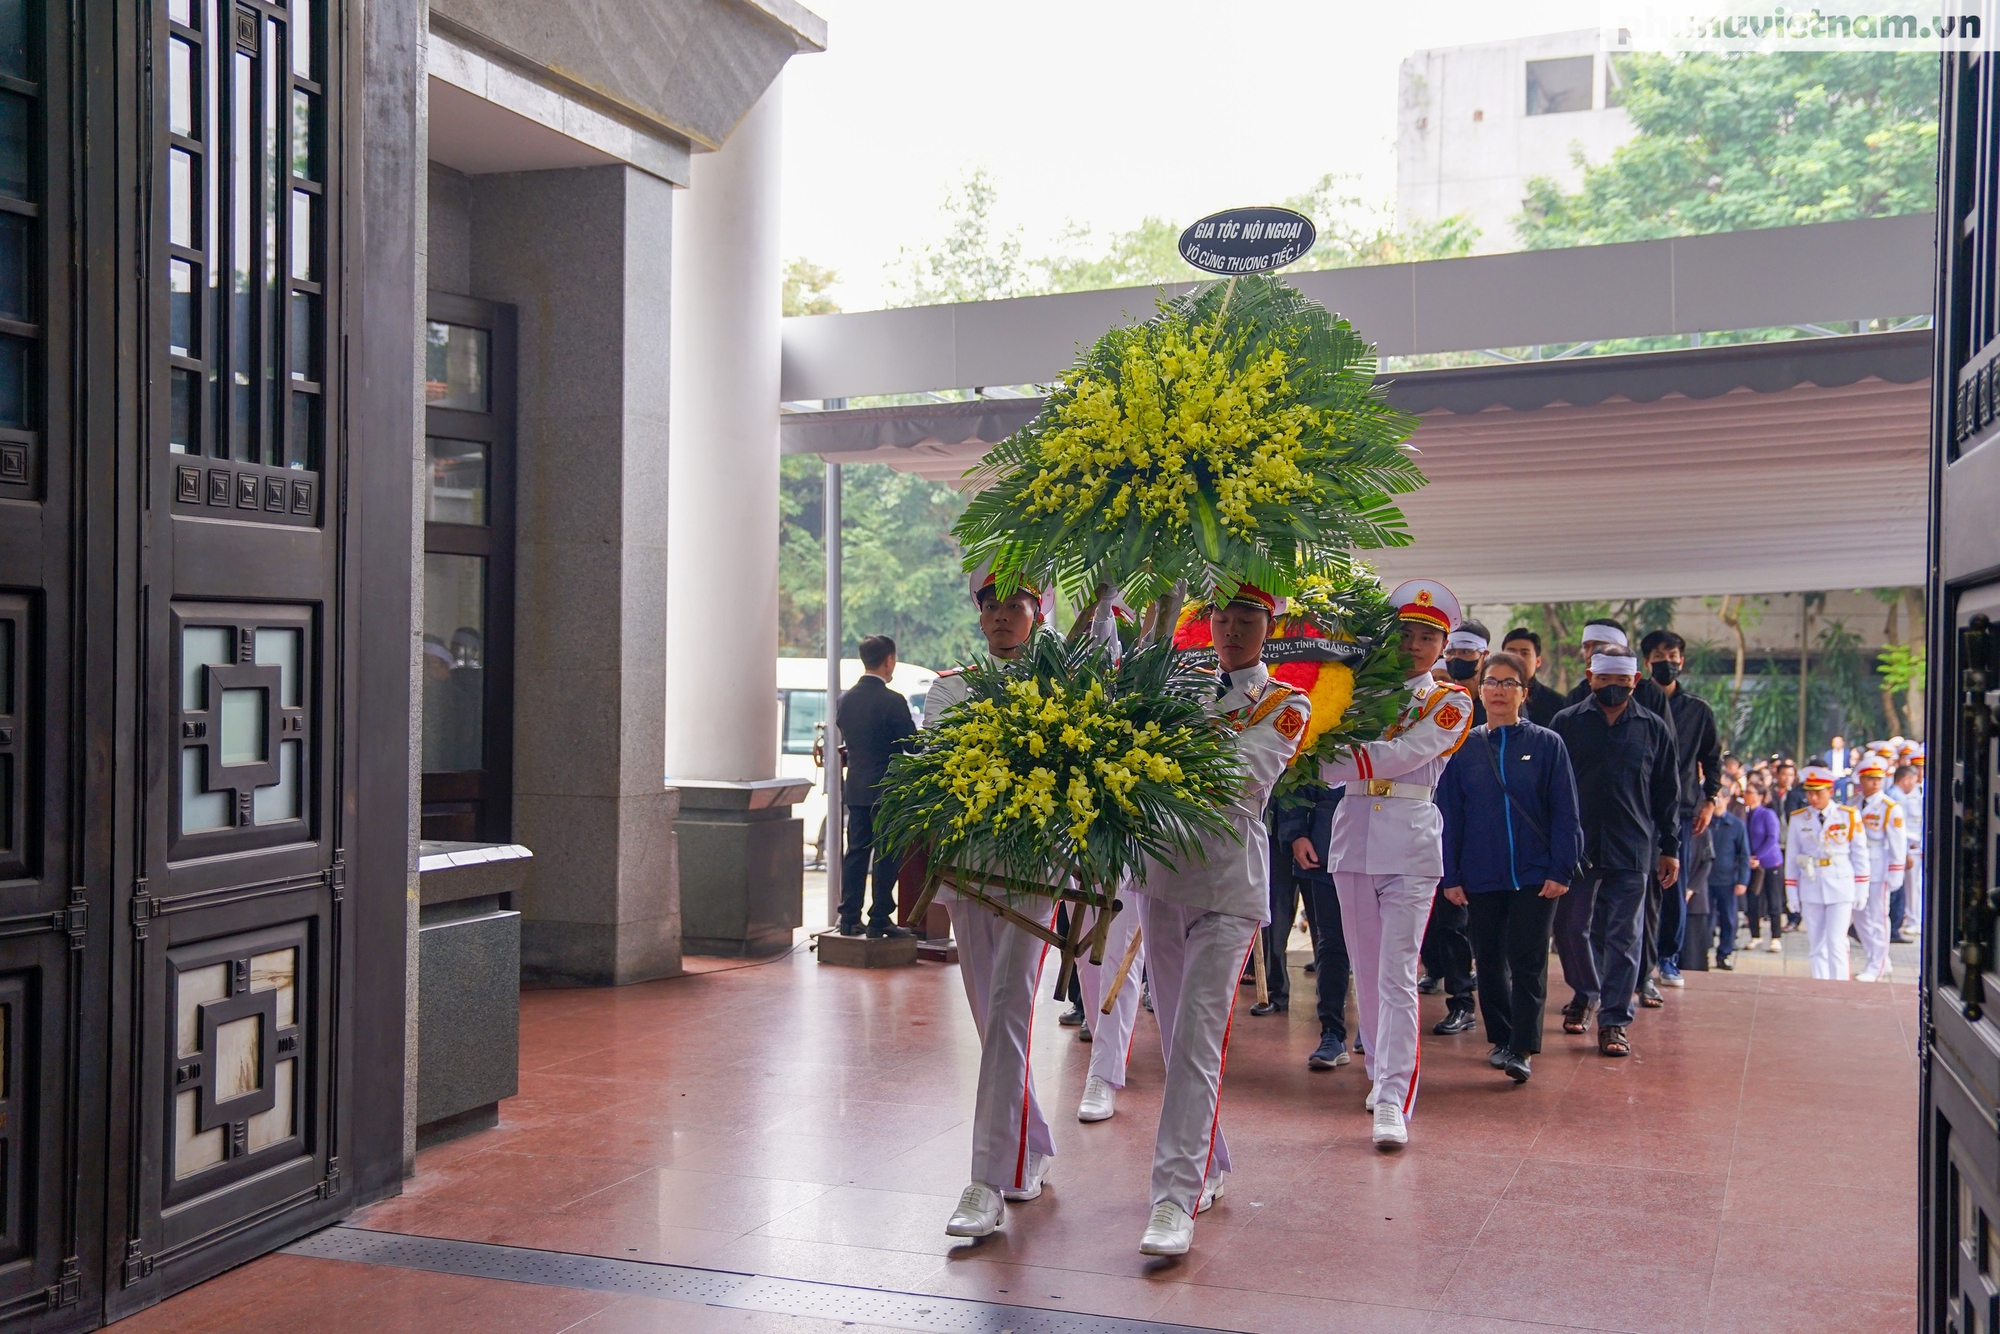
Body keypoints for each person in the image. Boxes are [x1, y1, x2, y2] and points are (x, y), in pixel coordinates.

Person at [1136, 586, 1310, 1256]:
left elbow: (1237, 775)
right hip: (1161, 878)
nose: (1233, 630)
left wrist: (1154, 756)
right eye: (1223, 618)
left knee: (1198, 1039)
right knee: (1175, 1036)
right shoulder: (1180, 688)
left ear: (1270, 628)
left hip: (1227, 884)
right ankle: (1206, 1161)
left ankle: (1173, 1197)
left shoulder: (1286, 703)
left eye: (1248, 620)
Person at [1318, 578, 1474, 1148]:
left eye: (1426, 638)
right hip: (1353, 837)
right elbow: (1322, 755)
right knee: (1365, 971)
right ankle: (1379, 1075)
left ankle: (1393, 1097)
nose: (1413, 646)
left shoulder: (1450, 701)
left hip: (1410, 844)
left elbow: (1405, 753)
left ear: (1444, 647)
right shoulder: (1356, 692)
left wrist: (1336, 762)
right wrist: (1328, 761)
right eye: (1405, 633)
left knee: (1397, 974)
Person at [933, 570, 1065, 1239]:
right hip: (969, 869)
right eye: (993, 607)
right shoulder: (949, 687)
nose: (1003, 617)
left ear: (1037, 615)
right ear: (980, 616)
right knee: (992, 1020)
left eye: (1016, 606)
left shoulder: (1064, 683)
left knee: (1011, 1009)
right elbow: (943, 764)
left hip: (1035, 873)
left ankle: (987, 1181)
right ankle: (1032, 1140)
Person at [1435, 650, 1582, 1084]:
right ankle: (1500, 1037)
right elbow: (1450, 815)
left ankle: (1522, 1047)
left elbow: (1565, 811)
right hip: (1481, 873)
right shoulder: (1463, 747)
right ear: (1480, 691)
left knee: (1528, 958)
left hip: (1536, 874)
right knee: (1489, 960)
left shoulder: (1547, 744)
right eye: (1491, 682)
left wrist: (1561, 869)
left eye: (1509, 683)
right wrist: (1451, 875)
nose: (1499, 691)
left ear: (1525, 692)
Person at [1550, 650, 1680, 1059]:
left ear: (1635, 681)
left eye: (1621, 681)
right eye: (1604, 679)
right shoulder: (1566, 723)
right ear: (1589, 676)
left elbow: (1667, 792)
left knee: (1625, 937)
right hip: (1577, 846)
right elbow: (1549, 787)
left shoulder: (1653, 728)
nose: (1612, 688)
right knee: (1570, 928)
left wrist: (1670, 848)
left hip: (1633, 845)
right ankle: (1586, 992)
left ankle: (1614, 1021)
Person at [1638, 631, 1722, 996]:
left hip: (1682, 810)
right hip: (1638, 809)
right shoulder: (1634, 701)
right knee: (1637, 887)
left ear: (1682, 661)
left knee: (1672, 885)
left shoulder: (1698, 709)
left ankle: (1668, 956)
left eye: (1672, 656)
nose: (1666, 662)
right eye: (1659, 656)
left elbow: (1712, 758)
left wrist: (1710, 799)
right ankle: (1637, 960)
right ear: (1647, 662)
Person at [1420, 628, 1482, 1036]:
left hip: (1463, 835)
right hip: (1423, 829)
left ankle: (1463, 1001)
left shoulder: (1474, 725)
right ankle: (1437, 972)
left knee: (1457, 922)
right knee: (1434, 922)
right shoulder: (1416, 719)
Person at [837, 635, 917, 939]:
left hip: (856, 788)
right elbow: (912, 745)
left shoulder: (845, 700)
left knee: (856, 853)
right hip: (887, 789)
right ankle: (879, 918)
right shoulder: (893, 700)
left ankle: (849, 919)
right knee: (886, 855)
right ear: (889, 660)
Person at [1277, 783, 1354, 1071]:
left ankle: (1375, 1030)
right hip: (1326, 843)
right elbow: (1298, 777)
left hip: (1382, 845)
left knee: (1378, 945)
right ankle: (1332, 1033)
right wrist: (1296, 833)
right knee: (1330, 943)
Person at [1784, 765, 1866, 980]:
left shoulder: (1847, 816)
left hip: (1841, 884)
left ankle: (1839, 987)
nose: (1812, 798)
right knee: (1816, 943)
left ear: (1830, 792)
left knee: (1836, 941)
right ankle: (1819, 985)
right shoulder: (1799, 818)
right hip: (1811, 884)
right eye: (1809, 793)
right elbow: (1792, 858)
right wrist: (1791, 893)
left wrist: (1862, 889)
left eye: (1818, 793)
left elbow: (1860, 854)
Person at [1851, 755, 1908, 983]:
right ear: (1861, 780)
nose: (1875, 783)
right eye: (1870, 778)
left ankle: (1877, 966)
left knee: (1878, 916)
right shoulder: (1853, 802)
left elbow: (1897, 842)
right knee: (1859, 915)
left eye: (1879, 778)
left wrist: (1896, 871)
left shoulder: (1889, 807)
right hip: (1856, 866)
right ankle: (1877, 955)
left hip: (1878, 866)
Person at [1705, 797, 1750, 970]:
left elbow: (1744, 855)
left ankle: (1724, 954)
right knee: (1705, 920)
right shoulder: (1704, 821)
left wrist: (1742, 880)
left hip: (1727, 880)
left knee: (1728, 919)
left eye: (1719, 797)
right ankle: (1702, 953)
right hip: (1705, 879)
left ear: (1726, 799)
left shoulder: (1736, 824)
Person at [1741, 783, 1786, 954]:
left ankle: (1776, 937)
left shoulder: (1767, 814)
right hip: (1752, 863)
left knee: (1773, 899)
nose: (1746, 795)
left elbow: (1772, 838)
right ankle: (1755, 935)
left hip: (1770, 862)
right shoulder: (1745, 814)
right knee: (1753, 899)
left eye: (1749, 792)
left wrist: (1758, 856)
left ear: (1759, 796)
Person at [1500, 628, 1568, 727]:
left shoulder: (1557, 704)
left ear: (1538, 661)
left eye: (1525, 653)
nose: (1517, 658)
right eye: (1511, 652)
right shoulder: (1490, 698)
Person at [1888, 758, 1924, 943]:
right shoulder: (1898, 797)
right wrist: (1906, 853)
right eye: (1913, 780)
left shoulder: (1894, 794)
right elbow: (1899, 830)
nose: (1914, 784)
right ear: (1906, 780)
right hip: (1904, 848)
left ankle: (1905, 922)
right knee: (1903, 890)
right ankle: (1901, 924)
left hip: (1906, 847)